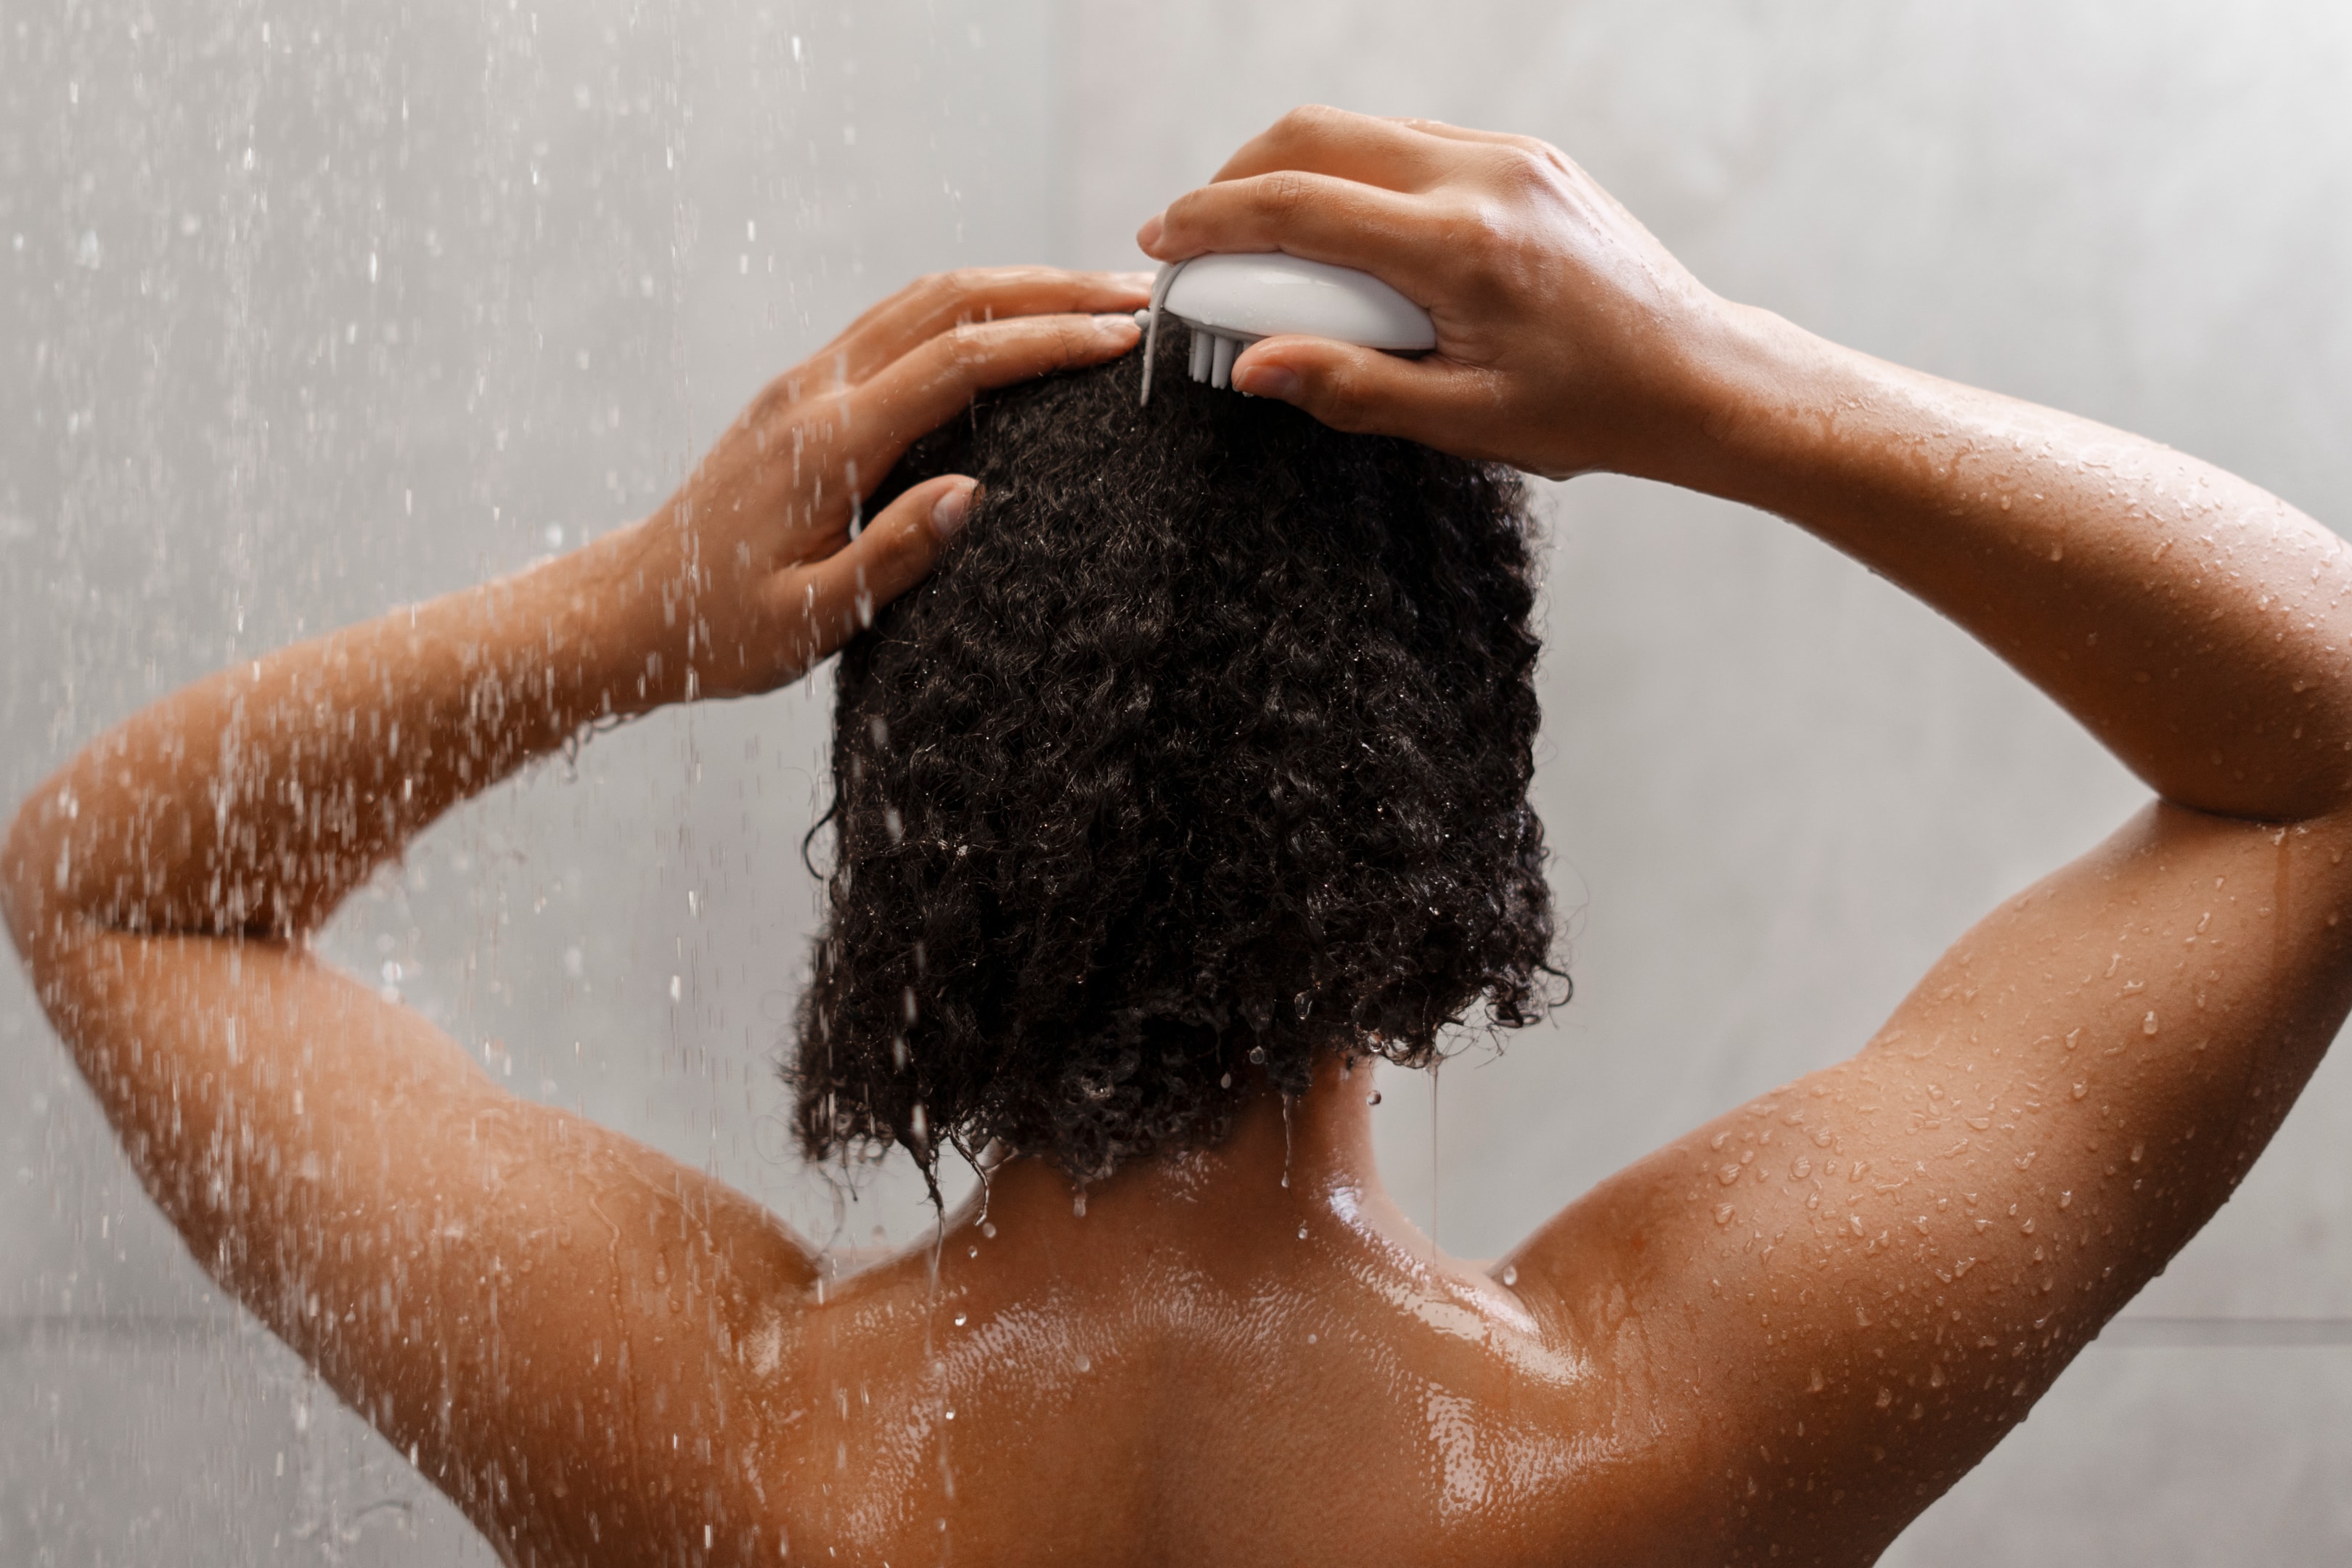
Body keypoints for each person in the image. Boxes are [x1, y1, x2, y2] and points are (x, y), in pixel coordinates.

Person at [7, 105, 2348, 1566]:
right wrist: (1729, 384)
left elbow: (111, 887)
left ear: (911, 799)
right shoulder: (1666, 1442)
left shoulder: (707, 1456)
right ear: (1449, 789)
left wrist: (631, 611)